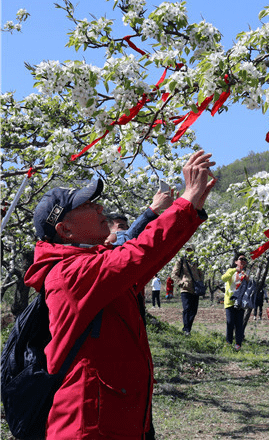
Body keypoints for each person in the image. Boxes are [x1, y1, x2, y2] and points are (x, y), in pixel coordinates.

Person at [24, 149, 216, 439]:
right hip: (89, 425)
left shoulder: (90, 267)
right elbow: (139, 253)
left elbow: (149, 259)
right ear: (66, 231)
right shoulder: (70, 275)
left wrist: (193, 208)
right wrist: (185, 202)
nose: (100, 208)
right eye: (87, 205)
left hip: (115, 418)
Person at [222, 254, 254, 350]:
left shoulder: (247, 273)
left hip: (240, 302)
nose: (243, 261)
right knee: (230, 322)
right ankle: (228, 342)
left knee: (239, 324)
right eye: (241, 259)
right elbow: (224, 278)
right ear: (236, 261)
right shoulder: (231, 271)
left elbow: (250, 288)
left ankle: (238, 344)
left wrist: (248, 280)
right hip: (229, 302)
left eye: (245, 259)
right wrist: (235, 270)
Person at [171, 246, 203, 335]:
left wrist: (201, 283)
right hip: (185, 289)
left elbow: (201, 274)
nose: (189, 252)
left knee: (194, 310)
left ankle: (188, 328)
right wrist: (180, 282)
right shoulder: (181, 261)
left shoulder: (197, 262)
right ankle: (186, 329)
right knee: (187, 308)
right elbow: (174, 274)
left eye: (191, 250)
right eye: (187, 250)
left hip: (195, 289)